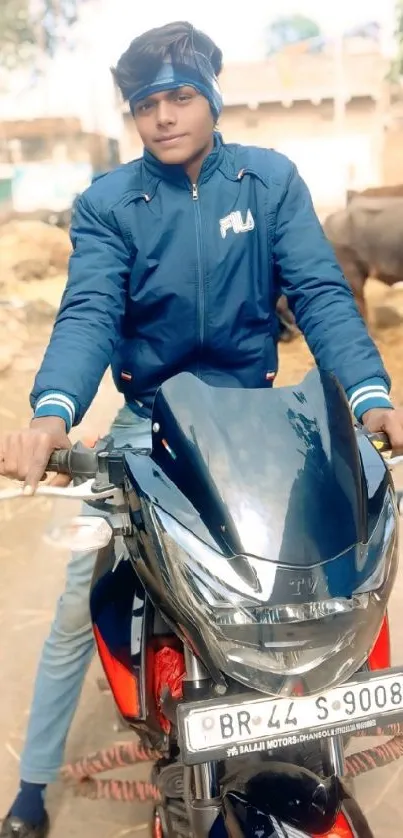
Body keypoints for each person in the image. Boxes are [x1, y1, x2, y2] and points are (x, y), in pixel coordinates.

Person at [0, 19, 402, 838]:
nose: (162, 115)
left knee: (325, 566)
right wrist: (51, 414)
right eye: (144, 103)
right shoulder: (107, 204)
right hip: (150, 424)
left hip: (258, 420)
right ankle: (35, 782)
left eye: (179, 95)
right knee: (88, 595)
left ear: (212, 98)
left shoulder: (267, 182)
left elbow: (322, 294)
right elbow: (89, 313)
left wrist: (369, 393)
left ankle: (323, 711)